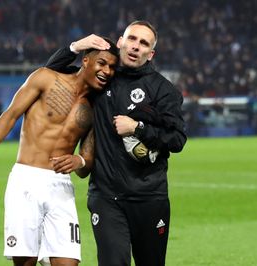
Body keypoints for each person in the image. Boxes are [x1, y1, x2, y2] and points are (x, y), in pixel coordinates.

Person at [0, 39, 119, 266]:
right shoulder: (45, 78)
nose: (106, 71)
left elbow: (86, 163)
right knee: (26, 262)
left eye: (112, 67)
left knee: (68, 262)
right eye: (102, 63)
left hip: (61, 187)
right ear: (85, 60)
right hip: (26, 181)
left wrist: (79, 160)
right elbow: (9, 116)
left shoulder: (97, 107)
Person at [46, 20, 187, 266]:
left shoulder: (163, 90)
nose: (135, 47)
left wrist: (138, 128)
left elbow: (177, 139)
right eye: (132, 39)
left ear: (150, 54)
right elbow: (48, 74)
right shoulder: (100, 77)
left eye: (143, 43)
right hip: (106, 197)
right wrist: (77, 46)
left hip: (149, 197)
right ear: (120, 42)